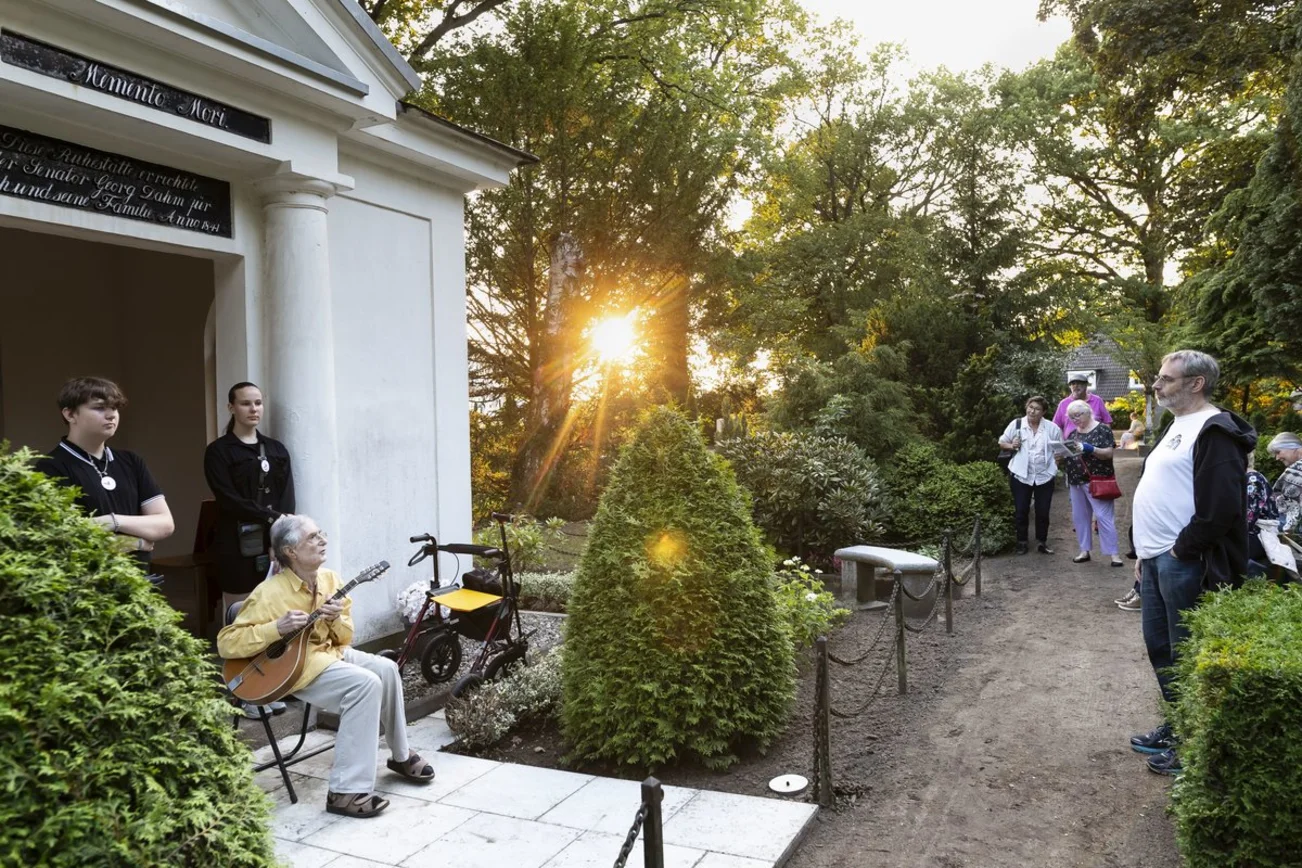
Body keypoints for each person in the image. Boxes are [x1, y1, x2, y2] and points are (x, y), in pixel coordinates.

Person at [217, 514, 434, 819]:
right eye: (312, 537)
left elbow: (346, 637)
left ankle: (400, 756)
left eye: (321, 534)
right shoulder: (270, 593)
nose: (323, 541)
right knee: (365, 685)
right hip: (295, 670)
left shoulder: (331, 580)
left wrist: (335, 619)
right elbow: (227, 643)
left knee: (386, 668)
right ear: (291, 551)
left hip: (329, 655)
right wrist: (275, 629)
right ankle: (345, 792)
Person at [1129, 350, 1255, 777]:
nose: (1157, 385)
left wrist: (1181, 550)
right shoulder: (1174, 425)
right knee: (1161, 648)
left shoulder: (1215, 431)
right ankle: (1179, 727)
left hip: (1186, 560)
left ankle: (1195, 745)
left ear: (1196, 383)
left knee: (1187, 653)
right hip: (1157, 558)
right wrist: (1144, 554)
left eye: (1166, 379)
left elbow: (1221, 509)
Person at [35, 377, 175, 569]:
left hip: (141, 582)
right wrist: (138, 543)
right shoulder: (50, 467)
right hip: (88, 586)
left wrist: (112, 521)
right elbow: (66, 536)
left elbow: (165, 524)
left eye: (114, 408)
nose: (111, 415)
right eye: (99, 408)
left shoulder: (131, 461)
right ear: (69, 414)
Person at [204, 382, 296, 613]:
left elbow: (287, 497)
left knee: (279, 607)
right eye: (245, 403)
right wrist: (273, 517)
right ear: (231, 407)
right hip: (236, 541)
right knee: (241, 609)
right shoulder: (219, 451)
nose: (253, 409)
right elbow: (228, 499)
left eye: (258, 403)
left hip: (274, 539)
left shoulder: (276, 449)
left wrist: (280, 538)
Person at [998, 396, 1064, 555]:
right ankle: (1022, 542)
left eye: (1037, 409)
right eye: (1030, 407)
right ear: (1026, 407)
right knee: (1021, 510)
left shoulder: (1052, 428)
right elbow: (1002, 442)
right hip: (1021, 474)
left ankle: (1042, 542)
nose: (1032, 411)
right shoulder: (1017, 424)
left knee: (1043, 511)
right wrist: (1012, 445)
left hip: (1044, 475)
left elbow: (1060, 451)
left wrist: (1055, 466)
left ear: (1044, 412)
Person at [1063, 400, 1123, 567]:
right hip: (1076, 480)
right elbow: (1070, 455)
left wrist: (1090, 449)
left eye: (1077, 415)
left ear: (1088, 412)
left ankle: (1114, 554)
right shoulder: (1072, 434)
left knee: (1104, 517)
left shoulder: (1102, 429)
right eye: (1071, 417)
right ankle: (1084, 550)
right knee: (1080, 518)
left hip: (1098, 480)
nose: (1074, 420)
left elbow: (1108, 453)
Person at [1053, 374, 1113, 439]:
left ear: (1086, 385)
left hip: (1095, 443)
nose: (1075, 386)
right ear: (1070, 387)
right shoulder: (1063, 404)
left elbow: (1107, 422)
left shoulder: (1097, 400)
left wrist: (1106, 438)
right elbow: (1056, 427)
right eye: (1073, 384)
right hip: (1070, 444)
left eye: (1079, 383)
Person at [1266, 432, 1302, 534]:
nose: (1277, 458)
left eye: (1278, 452)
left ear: (1293, 447)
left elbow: (1287, 513)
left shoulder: (1295, 470)